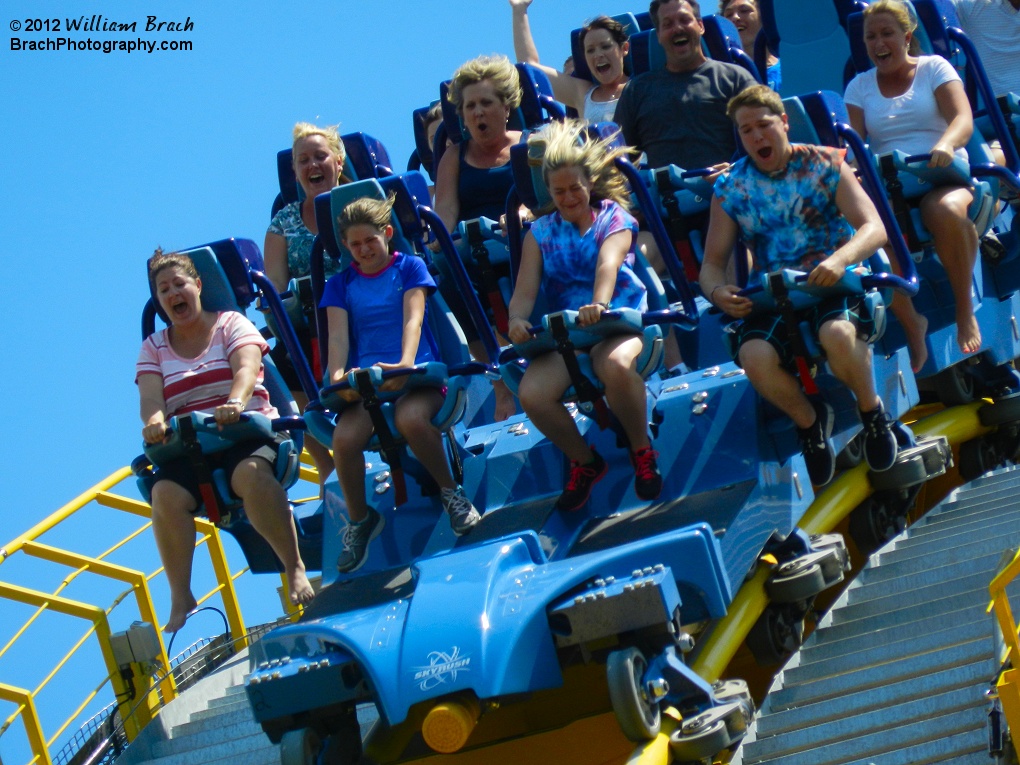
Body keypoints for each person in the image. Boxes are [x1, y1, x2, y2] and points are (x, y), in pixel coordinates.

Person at [700, 85, 898, 487]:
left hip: (832, 283)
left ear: (784, 123)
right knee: (754, 356)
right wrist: (718, 292)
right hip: (777, 296)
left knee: (837, 333)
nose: (756, 137)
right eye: (746, 130)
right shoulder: (731, 188)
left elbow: (874, 228)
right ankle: (810, 422)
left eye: (763, 125)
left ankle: (872, 413)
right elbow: (711, 265)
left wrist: (840, 259)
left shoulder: (826, 164)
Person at [137, 250, 315, 633]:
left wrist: (235, 402)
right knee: (164, 495)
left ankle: (294, 566)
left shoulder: (230, 323)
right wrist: (154, 422)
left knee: (250, 474)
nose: (173, 294)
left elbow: (248, 368)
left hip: (244, 431)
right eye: (164, 290)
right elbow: (152, 398)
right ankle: (181, 595)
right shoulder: (154, 347)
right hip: (192, 443)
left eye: (179, 284)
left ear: (198, 286)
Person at [507, 119, 662, 511]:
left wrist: (599, 303)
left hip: (615, 319)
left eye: (575, 187)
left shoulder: (615, 218)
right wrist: (517, 321)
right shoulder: (540, 233)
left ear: (588, 182)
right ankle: (585, 460)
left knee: (612, 364)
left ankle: (641, 448)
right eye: (558, 192)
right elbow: (524, 290)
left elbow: (608, 265)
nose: (568, 197)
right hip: (571, 334)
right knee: (532, 394)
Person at [321, 196, 482, 573]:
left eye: (370, 241)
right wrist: (336, 376)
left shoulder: (410, 268)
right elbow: (338, 338)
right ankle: (361, 521)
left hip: (416, 373)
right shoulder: (339, 285)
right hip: (370, 382)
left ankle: (451, 493)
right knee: (343, 441)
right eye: (355, 245)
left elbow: (414, 317)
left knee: (411, 421)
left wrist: (407, 362)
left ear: (387, 234)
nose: (364, 250)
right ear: (346, 246)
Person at [844, 0, 981, 357]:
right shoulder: (859, 87)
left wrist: (946, 144)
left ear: (906, 37)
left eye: (887, 33)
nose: (878, 43)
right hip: (892, 184)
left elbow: (962, 120)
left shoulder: (934, 67)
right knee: (869, 231)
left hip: (942, 176)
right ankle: (911, 321)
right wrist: (855, 168)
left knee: (944, 211)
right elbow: (854, 145)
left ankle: (965, 310)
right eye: (870, 37)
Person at [433, 54, 524, 421]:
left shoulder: (529, 143)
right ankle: (501, 386)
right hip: (474, 250)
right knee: (443, 267)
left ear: (506, 106)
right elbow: (447, 213)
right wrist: (441, 238)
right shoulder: (454, 157)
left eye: (486, 103)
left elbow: (541, 199)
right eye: (470, 106)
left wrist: (521, 215)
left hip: (520, 240)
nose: (477, 112)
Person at [264, 122, 352, 487]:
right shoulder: (283, 222)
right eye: (304, 161)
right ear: (296, 171)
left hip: (358, 307)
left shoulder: (358, 203)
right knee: (279, 365)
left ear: (338, 161)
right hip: (311, 319)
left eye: (320, 157)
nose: (313, 166)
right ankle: (327, 469)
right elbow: (276, 289)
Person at [613, 0, 758, 171]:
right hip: (664, 195)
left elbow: (763, 138)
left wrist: (735, 173)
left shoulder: (735, 78)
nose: (678, 29)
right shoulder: (636, 91)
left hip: (729, 189)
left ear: (700, 26)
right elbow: (616, 159)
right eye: (668, 24)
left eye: (684, 20)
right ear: (658, 35)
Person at [509, 1, 631, 124]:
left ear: (624, 48)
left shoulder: (642, 86)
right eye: (590, 50)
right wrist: (519, 9)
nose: (598, 55)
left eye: (605, 46)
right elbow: (530, 68)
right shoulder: (582, 93)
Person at [719, 0, 781, 91]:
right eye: (729, 15)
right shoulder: (725, 79)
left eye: (744, 11)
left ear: (763, 16)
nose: (735, 18)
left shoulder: (790, 63)